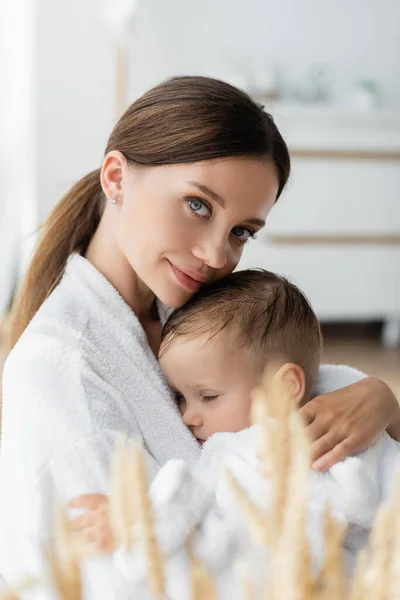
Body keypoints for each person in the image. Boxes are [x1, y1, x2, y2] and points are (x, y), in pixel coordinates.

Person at [0, 76, 399, 598]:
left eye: (242, 231)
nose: (218, 256)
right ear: (117, 177)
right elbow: (122, 584)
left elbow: (287, 410)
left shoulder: (192, 316)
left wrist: (380, 402)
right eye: (198, 205)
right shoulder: (62, 368)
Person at [69, 269, 400, 599]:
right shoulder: (334, 393)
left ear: (284, 389)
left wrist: (145, 526)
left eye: (208, 396)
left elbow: (242, 552)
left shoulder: (267, 452)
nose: (187, 416)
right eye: (179, 397)